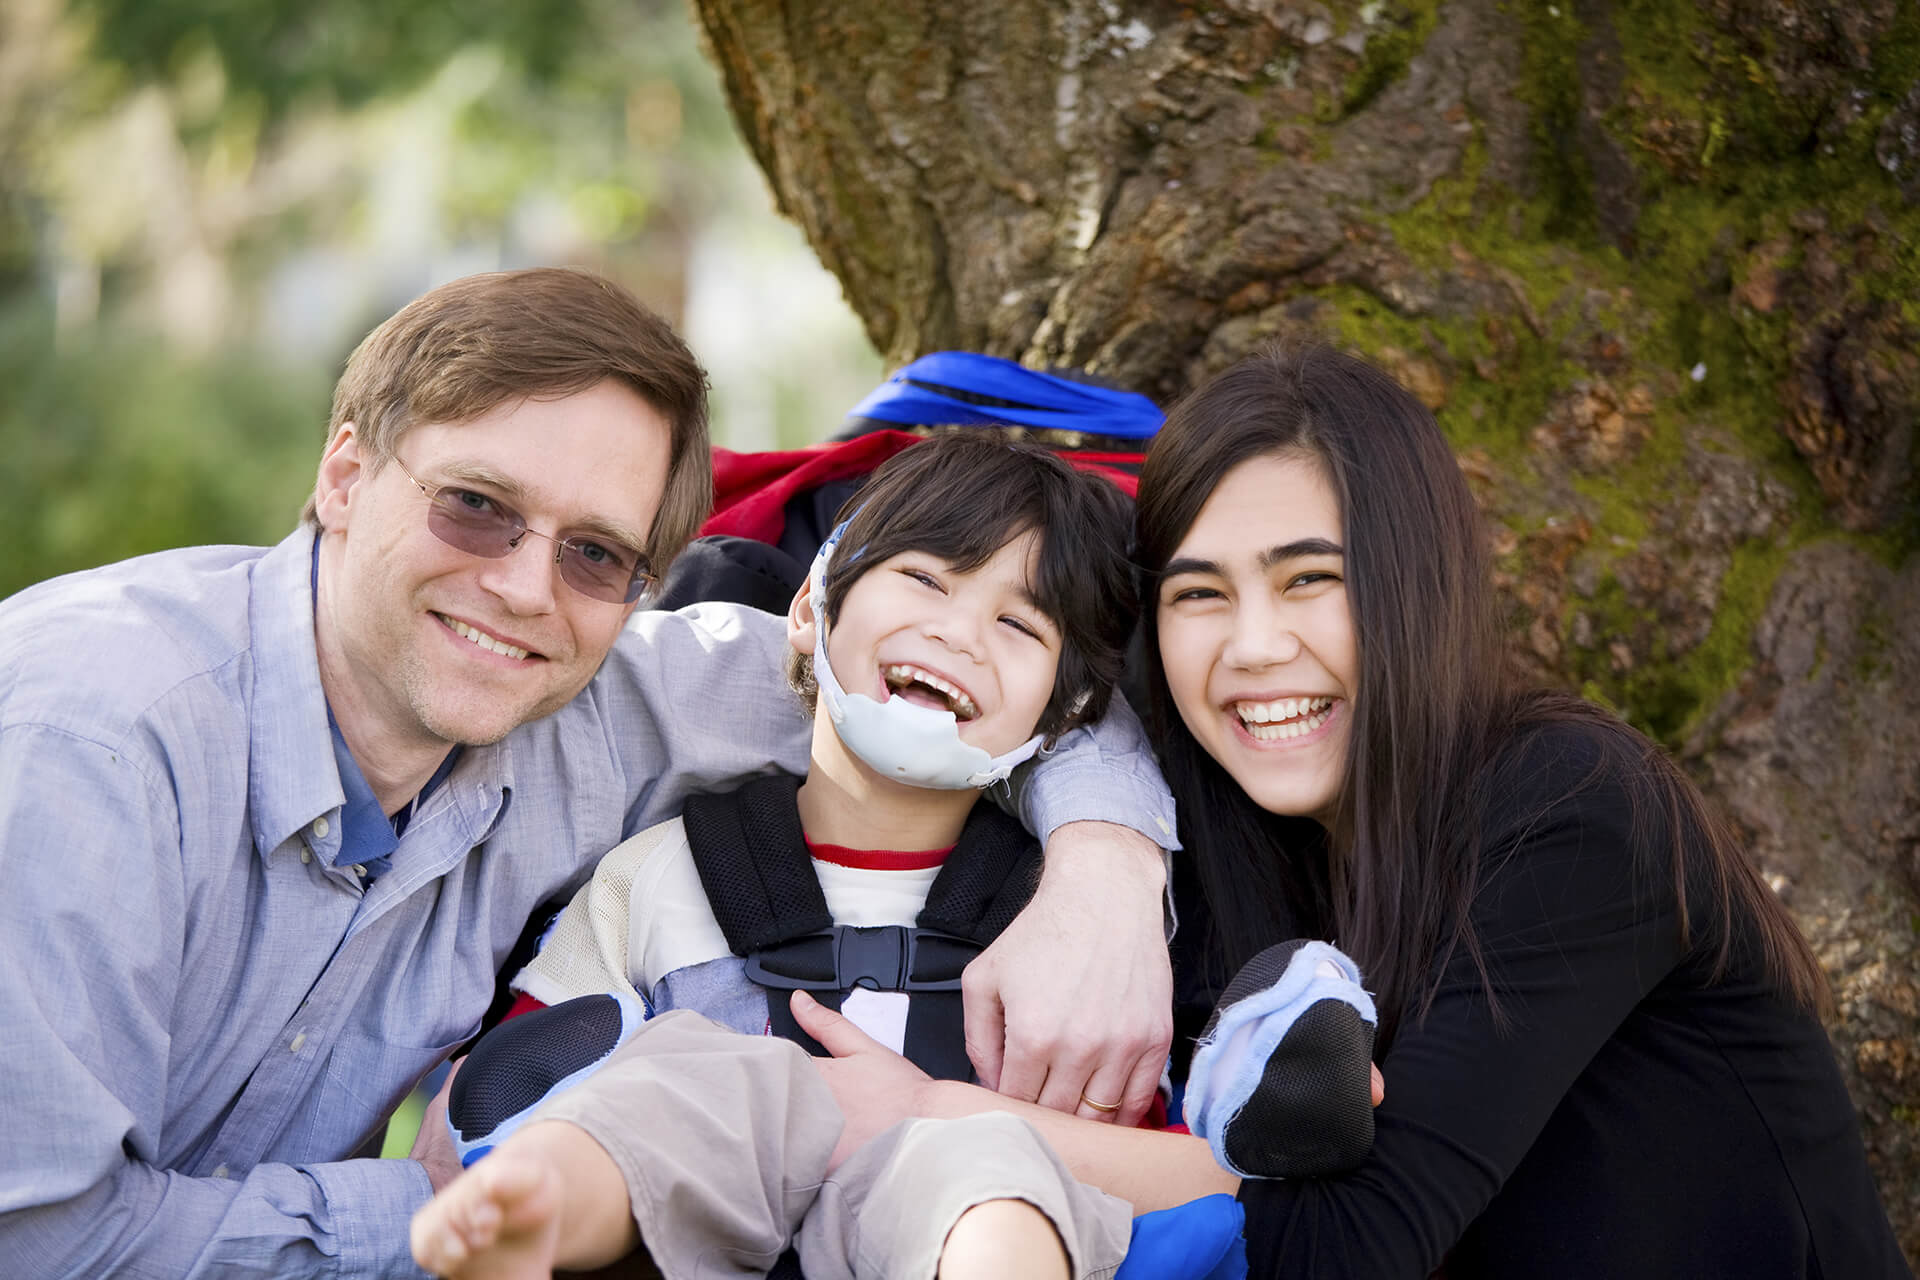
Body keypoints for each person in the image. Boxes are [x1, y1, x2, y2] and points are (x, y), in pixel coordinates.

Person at [0, 268, 1179, 1278]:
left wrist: (1104, 875)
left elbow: (954, 698)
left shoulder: (600, 693)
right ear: (347, 477)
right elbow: (38, 1241)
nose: (524, 587)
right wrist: (457, 1210)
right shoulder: (87, 746)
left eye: (595, 552)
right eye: (476, 507)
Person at [792, 341, 1913, 1278]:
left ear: (1413, 582)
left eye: (1310, 579)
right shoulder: (1244, 842)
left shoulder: (1571, 806)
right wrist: (1108, 866)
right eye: (1199, 594)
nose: (1255, 647)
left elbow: (1349, 1243)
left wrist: (935, 1116)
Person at [410, 432, 1145, 1279]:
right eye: (924, 579)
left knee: (992, 1177)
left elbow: (1128, 1135)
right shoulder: (667, 871)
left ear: (1064, 716)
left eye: (1017, 624)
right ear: (810, 608)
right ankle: (529, 1213)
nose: (960, 634)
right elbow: (541, 1048)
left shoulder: (1056, 926)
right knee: (680, 1088)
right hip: (675, 1232)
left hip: (945, 1216)